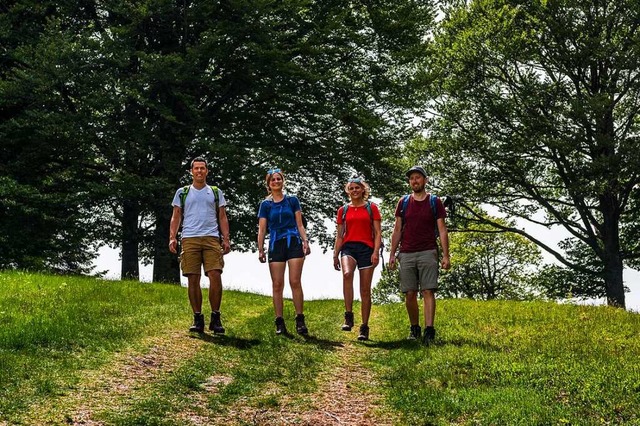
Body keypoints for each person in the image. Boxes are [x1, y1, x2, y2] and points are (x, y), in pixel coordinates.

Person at [388, 166, 450, 345]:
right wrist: (392, 254)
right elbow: (397, 229)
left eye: (418, 178)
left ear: (425, 180)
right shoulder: (404, 202)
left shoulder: (434, 201)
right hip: (406, 253)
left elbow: (442, 229)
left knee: (428, 290)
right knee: (409, 293)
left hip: (428, 251)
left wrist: (446, 255)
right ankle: (414, 328)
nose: (414, 181)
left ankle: (429, 330)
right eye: (412, 178)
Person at [169, 157, 231, 334]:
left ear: (207, 171)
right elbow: (176, 216)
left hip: (211, 238)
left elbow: (222, 216)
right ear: (191, 171)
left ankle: (216, 317)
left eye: (202, 168)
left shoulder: (215, 192)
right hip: (189, 238)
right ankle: (197, 318)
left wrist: (225, 238)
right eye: (196, 168)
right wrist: (172, 237)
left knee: (215, 275)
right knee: (193, 279)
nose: (199, 171)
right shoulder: (183, 192)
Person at [257, 168, 310, 335]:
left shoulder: (292, 201)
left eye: (278, 179)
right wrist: (260, 249)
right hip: (275, 244)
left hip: (293, 241)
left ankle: (300, 319)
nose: (276, 182)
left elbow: (300, 224)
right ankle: (279, 321)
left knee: (295, 281)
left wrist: (305, 241)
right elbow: (262, 228)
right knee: (277, 284)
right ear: (268, 184)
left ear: (282, 181)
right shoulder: (265, 205)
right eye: (273, 180)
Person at [333, 177, 382, 341]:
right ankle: (348, 315)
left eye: (357, 188)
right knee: (347, 274)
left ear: (363, 190)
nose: (354, 191)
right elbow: (340, 235)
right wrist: (335, 254)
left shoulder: (371, 208)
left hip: (366, 249)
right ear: (348, 191)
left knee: (365, 290)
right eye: (351, 188)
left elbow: (378, 233)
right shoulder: (343, 210)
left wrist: (376, 251)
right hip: (348, 247)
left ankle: (364, 327)